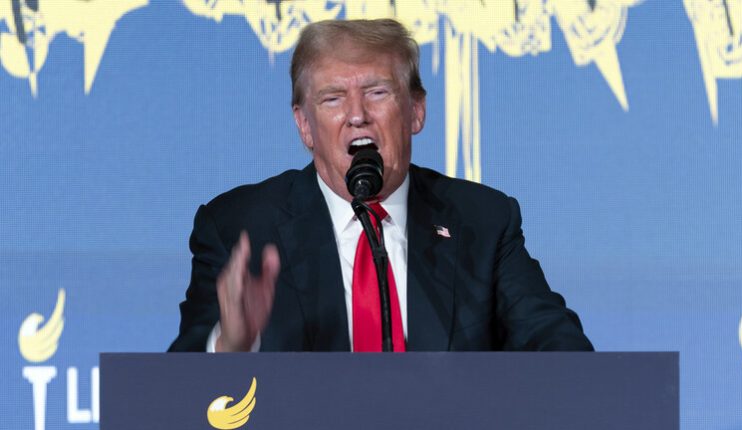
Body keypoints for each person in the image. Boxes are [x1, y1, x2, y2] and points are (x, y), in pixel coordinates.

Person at [168, 19, 593, 353]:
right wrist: (231, 345)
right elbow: (177, 391)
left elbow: (559, 348)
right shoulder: (236, 226)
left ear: (416, 111)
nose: (357, 115)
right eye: (333, 98)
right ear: (304, 125)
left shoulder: (481, 221)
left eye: (376, 92)